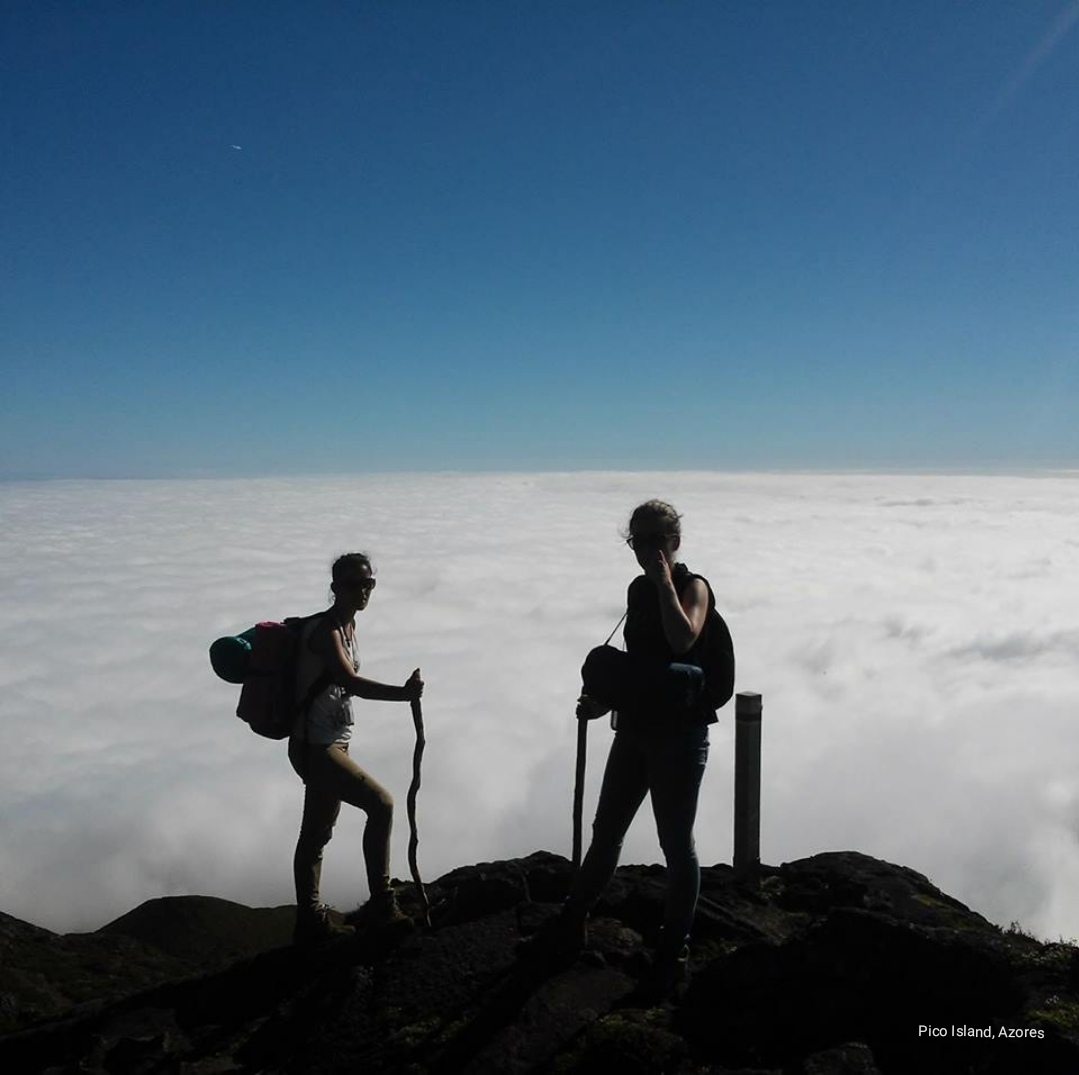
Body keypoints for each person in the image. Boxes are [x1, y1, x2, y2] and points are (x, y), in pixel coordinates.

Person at [531, 500, 716, 998]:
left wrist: (662, 582)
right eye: (638, 539)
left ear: (675, 541)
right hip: (634, 728)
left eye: (657, 538)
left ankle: (672, 949)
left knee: (677, 845)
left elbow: (682, 641)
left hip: (680, 735)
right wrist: (602, 700)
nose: (647, 548)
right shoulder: (637, 589)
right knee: (606, 829)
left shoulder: (693, 587)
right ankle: (572, 920)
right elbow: (640, 667)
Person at [288, 552, 424, 946]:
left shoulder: (347, 627)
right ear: (335, 588)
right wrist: (404, 695)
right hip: (316, 747)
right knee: (380, 804)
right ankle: (382, 904)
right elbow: (351, 682)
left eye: (369, 583)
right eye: (354, 584)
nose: (363, 591)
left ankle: (308, 921)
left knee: (316, 833)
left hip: (333, 743)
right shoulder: (325, 631)